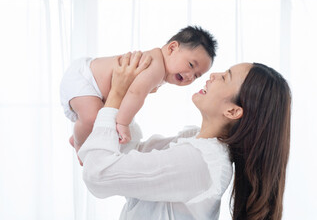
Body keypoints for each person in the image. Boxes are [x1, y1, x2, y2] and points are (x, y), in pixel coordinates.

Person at [78, 52, 291, 220]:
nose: (213, 76)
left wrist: (116, 94)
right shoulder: (196, 143)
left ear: (233, 111)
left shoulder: (201, 161)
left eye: (225, 78)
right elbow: (130, 151)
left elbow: (98, 175)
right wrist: (126, 96)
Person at [60, 26, 217, 164]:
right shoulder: (156, 66)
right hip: (85, 78)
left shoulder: (161, 73)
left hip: (97, 90)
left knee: (101, 120)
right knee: (91, 118)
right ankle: (79, 142)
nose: (190, 75)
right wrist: (123, 123)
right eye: (190, 65)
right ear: (172, 48)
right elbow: (135, 93)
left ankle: (81, 135)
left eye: (196, 76)